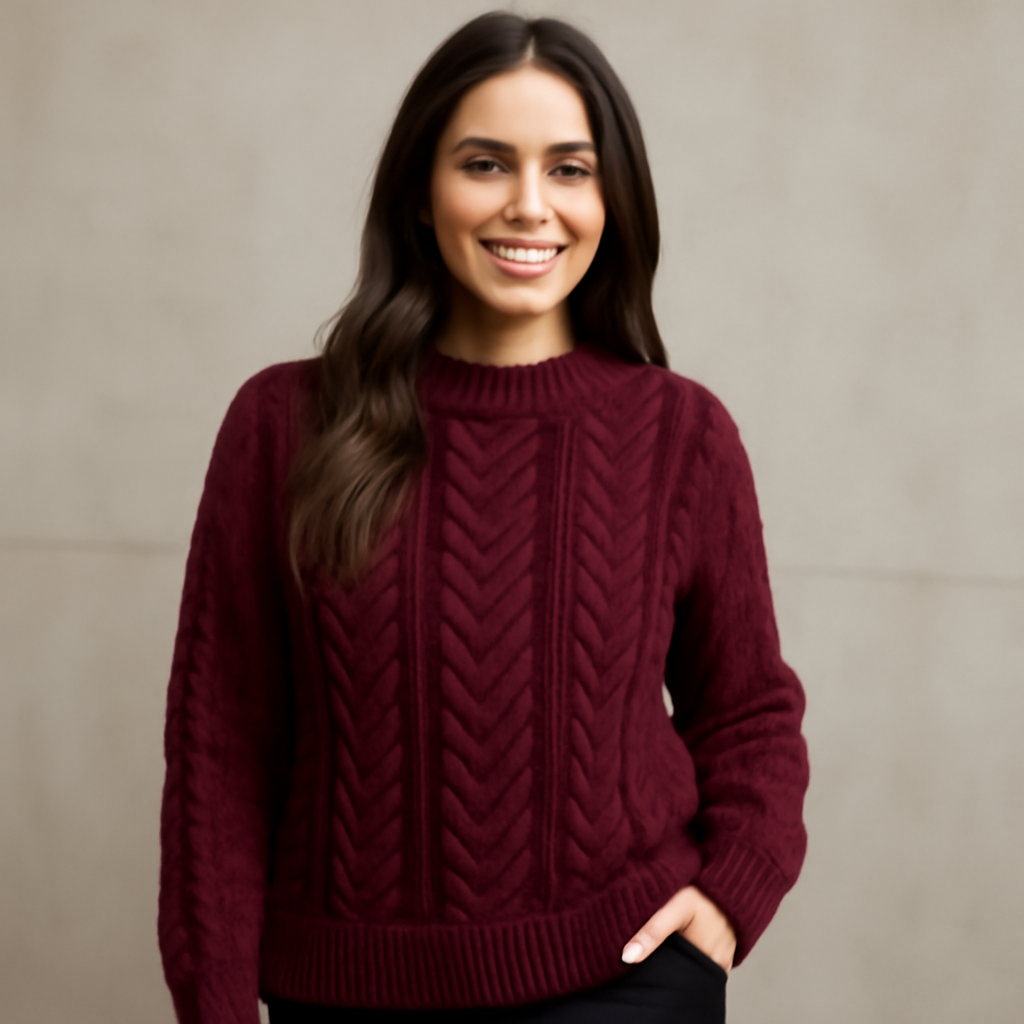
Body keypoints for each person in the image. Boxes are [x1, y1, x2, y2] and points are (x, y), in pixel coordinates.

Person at [157, 11, 809, 1024]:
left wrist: (731, 897)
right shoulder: (283, 426)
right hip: (344, 993)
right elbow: (222, 750)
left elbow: (750, 710)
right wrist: (212, 1006)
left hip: (621, 981)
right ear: (421, 192)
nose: (528, 206)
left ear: (612, 198)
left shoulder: (680, 434)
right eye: (485, 163)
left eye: (569, 169)